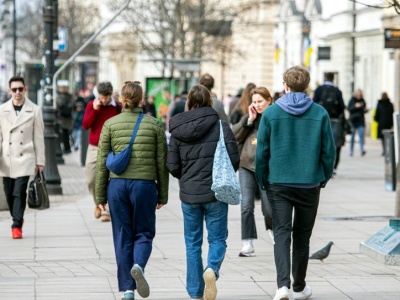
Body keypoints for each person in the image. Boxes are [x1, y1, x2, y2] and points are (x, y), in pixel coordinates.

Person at [255, 66, 335, 300]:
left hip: (278, 181)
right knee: (302, 235)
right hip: (309, 182)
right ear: (307, 86)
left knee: (281, 233)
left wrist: (262, 179)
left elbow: (262, 152)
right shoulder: (319, 113)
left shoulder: (270, 114)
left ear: (285, 86)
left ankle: (282, 286)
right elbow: (328, 152)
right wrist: (324, 176)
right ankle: (299, 286)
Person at [95, 81, 168, 300]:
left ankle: (127, 289)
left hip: (117, 186)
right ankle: (139, 265)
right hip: (144, 185)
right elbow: (161, 163)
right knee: (144, 233)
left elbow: (101, 163)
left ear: (121, 100)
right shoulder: (154, 125)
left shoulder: (110, 124)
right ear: (141, 100)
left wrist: (99, 196)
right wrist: (162, 194)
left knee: (122, 235)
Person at [167, 85, 240, 300]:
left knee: (192, 243)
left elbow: (172, 165)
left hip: (189, 194)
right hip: (216, 191)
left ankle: (195, 292)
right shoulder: (220, 125)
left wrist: (187, 177)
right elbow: (234, 158)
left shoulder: (178, 129)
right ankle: (212, 269)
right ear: (210, 101)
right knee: (217, 239)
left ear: (188, 101)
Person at [0, 75, 45, 239]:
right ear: (9, 90)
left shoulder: (34, 110)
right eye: (14, 89)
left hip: (25, 157)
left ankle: (16, 225)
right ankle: (16, 217)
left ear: (25, 89)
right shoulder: (2, 110)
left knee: (19, 192)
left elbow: (38, 138)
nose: (17, 92)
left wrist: (40, 161)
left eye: (20, 89)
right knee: (9, 192)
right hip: (6, 159)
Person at [232, 87, 274, 257]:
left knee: (269, 207)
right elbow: (234, 135)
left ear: (269, 100)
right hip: (246, 166)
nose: (257, 105)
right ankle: (247, 242)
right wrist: (248, 121)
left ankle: (273, 232)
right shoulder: (249, 118)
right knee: (246, 205)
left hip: (268, 168)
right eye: (254, 102)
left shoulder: (274, 117)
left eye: (260, 101)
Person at [82, 81, 121, 222]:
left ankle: (106, 211)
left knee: (110, 180)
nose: (103, 100)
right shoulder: (91, 105)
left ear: (111, 95)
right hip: (94, 147)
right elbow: (86, 125)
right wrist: (95, 110)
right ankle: (98, 204)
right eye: (101, 97)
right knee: (91, 178)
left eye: (106, 97)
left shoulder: (117, 108)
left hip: (112, 148)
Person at [313, 72, 345, 174]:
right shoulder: (337, 91)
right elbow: (342, 107)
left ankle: (320, 165)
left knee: (320, 142)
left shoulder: (319, 90)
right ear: (333, 79)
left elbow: (313, 104)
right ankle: (333, 167)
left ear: (324, 78)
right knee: (335, 144)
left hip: (320, 120)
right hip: (335, 120)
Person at [348, 89, 368, 157]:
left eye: (360, 93)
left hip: (361, 120)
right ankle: (351, 150)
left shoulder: (362, 100)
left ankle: (362, 149)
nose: (359, 94)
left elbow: (364, 109)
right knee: (352, 137)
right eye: (358, 93)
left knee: (361, 136)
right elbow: (349, 108)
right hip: (354, 121)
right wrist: (355, 106)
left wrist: (365, 110)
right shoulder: (352, 100)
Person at [56, 80, 74, 154]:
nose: (63, 89)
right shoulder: (60, 96)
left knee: (65, 134)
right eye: (62, 87)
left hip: (66, 119)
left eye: (64, 87)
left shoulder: (68, 96)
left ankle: (67, 148)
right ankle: (66, 148)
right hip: (62, 119)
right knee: (64, 134)